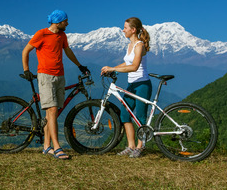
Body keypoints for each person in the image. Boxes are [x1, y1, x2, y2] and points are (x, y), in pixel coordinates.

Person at [22, 10, 89, 160]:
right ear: (58, 22)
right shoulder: (42, 34)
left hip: (60, 76)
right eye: (66, 21)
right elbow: (26, 51)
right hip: (46, 76)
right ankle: (57, 147)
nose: (68, 23)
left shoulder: (62, 36)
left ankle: (46, 147)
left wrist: (80, 65)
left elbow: (68, 51)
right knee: (52, 110)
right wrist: (26, 70)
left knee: (51, 113)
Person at [101, 17, 152, 158]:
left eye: (125, 27)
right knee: (125, 114)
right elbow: (126, 63)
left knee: (140, 116)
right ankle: (131, 146)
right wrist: (111, 69)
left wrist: (113, 68)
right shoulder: (129, 45)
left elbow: (134, 67)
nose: (123, 30)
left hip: (142, 84)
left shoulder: (139, 45)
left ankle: (140, 147)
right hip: (132, 84)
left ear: (133, 30)